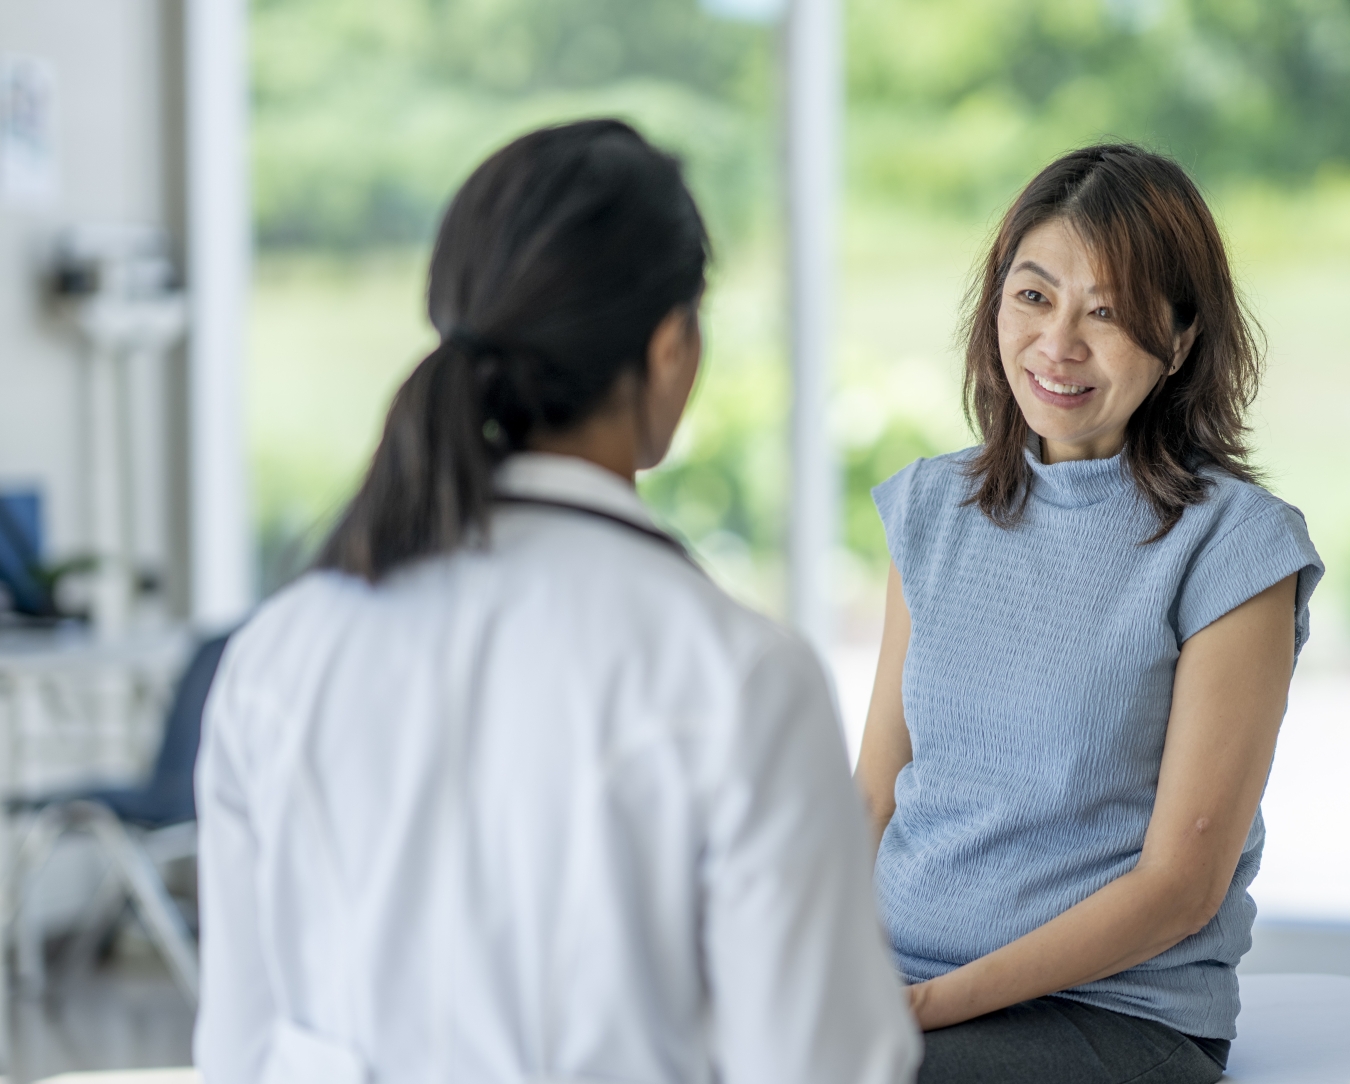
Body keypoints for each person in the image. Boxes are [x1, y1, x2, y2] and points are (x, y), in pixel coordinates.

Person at [194, 120, 921, 1084]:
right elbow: (825, 1068)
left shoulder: (279, 654)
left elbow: (240, 1050)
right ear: (671, 350)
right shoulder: (734, 674)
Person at [855, 143, 1324, 1084]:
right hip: (894, 982)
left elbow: (1178, 890)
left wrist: (920, 1011)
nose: (1058, 344)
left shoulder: (1235, 549)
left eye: (1105, 313)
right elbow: (872, 794)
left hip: (1113, 1014)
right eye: (1033, 297)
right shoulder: (930, 509)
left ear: (1181, 339)